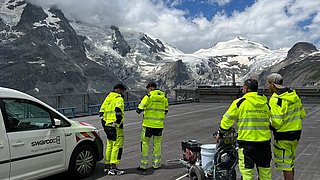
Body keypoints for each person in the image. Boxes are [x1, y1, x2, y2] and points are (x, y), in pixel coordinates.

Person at [217, 79, 272, 180]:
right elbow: (271, 120)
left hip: (247, 145)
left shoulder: (239, 103)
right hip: (264, 144)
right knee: (265, 174)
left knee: (247, 175)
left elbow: (226, 120)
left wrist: (221, 133)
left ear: (246, 89)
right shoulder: (265, 103)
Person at [267, 73, 306, 180]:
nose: (267, 87)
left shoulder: (276, 99)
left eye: (268, 84)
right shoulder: (294, 96)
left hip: (283, 136)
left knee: (286, 165)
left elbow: (276, 122)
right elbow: (302, 114)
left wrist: (268, 122)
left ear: (273, 84)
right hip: (296, 133)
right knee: (291, 161)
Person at [136, 82, 169, 171]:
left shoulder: (148, 97)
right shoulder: (164, 98)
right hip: (159, 126)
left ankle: (143, 165)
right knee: (157, 145)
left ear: (150, 88)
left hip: (148, 126)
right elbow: (166, 110)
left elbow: (139, 109)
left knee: (145, 144)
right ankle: (156, 164)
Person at [99, 84, 126, 175]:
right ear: (119, 90)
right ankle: (114, 168)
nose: (123, 93)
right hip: (116, 126)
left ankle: (107, 166)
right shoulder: (119, 98)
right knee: (117, 146)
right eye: (123, 91)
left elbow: (101, 112)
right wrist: (117, 123)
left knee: (109, 145)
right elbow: (118, 111)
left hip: (107, 125)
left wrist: (104, 123)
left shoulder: (108, 98)